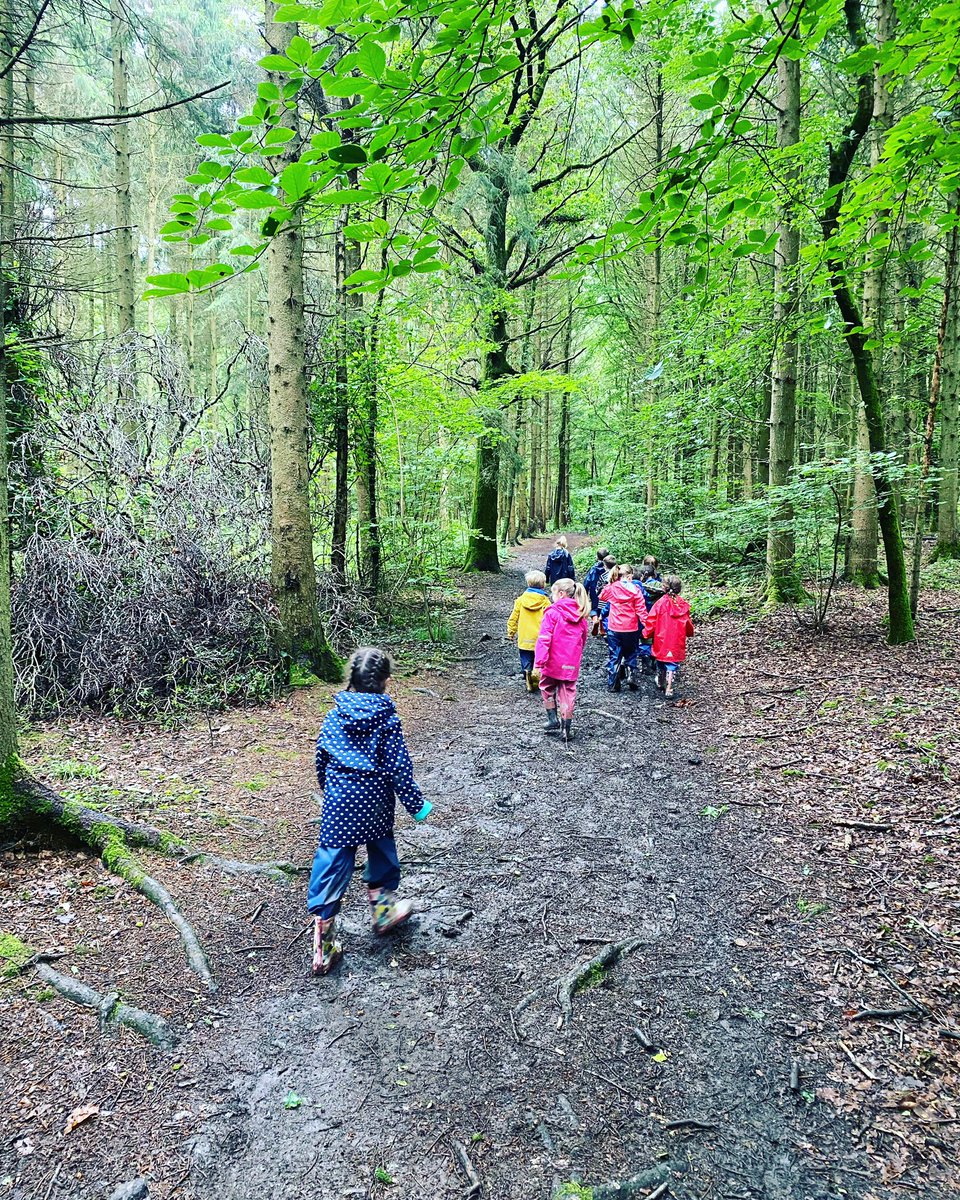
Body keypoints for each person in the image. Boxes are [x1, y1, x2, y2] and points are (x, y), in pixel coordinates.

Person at [307, 647, 432, 975]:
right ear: (386, 681)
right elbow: (399, 767)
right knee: (381, 851)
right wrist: (416, 804)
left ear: (351, 678)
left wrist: (330, 789)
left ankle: (323, 946)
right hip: (375, 800)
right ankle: (384, 913)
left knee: (332, 863)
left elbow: (321, 757)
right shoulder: (387, 719)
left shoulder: (334, 715)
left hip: (339, 801)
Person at [534, 578, 590, 743]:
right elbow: (583, 639)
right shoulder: (580, 614)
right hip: (570, 662)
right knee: (567, 693)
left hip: (552, 661)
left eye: (553, 593)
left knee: (546, 686)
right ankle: (566, 729)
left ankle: (552, 719)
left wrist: (539, 662)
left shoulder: (552, 613)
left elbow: (544, 639)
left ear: (561, 594)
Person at [643, 575, 695, 699]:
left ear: (664, 588)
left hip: (661, 638)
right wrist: (689, 632)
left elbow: (651, 621)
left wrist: (646, 633)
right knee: (672, 663)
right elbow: (687, 622)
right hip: (676, 639)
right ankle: (669, 687)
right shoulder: (682, 605)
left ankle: (661, 681)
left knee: (661, 660)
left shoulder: (660, 603)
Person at [600, 564, 648, 693]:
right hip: (631, 627)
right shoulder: (636, 590)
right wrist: (647, 626)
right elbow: (641, 610)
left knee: (614, 654)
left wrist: (611, 583)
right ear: (630, 576)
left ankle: (613, 683)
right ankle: (631, 675)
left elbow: (602, 596)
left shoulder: (612, 587)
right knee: (631, 652)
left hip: (614, 627)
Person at [507, 569, 551, 692]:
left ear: (528, 584)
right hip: (540, 637)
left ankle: (527, 672)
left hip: (524, 637)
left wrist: (511, 631)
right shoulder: (545, 601)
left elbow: (514, 617)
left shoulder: (520, 600)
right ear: (543, 585)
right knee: (539, 657)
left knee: (525, 657)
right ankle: (536, 673)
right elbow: (550, 618)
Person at [582, 547, 609, 630]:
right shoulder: (611, 568)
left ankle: (595, 620)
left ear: (597, 557)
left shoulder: (593, 569)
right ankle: (602, 629)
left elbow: (587, 581)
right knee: (605, 608)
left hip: (595, 592)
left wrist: (585, 592)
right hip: (607, 592)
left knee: (595, 608)